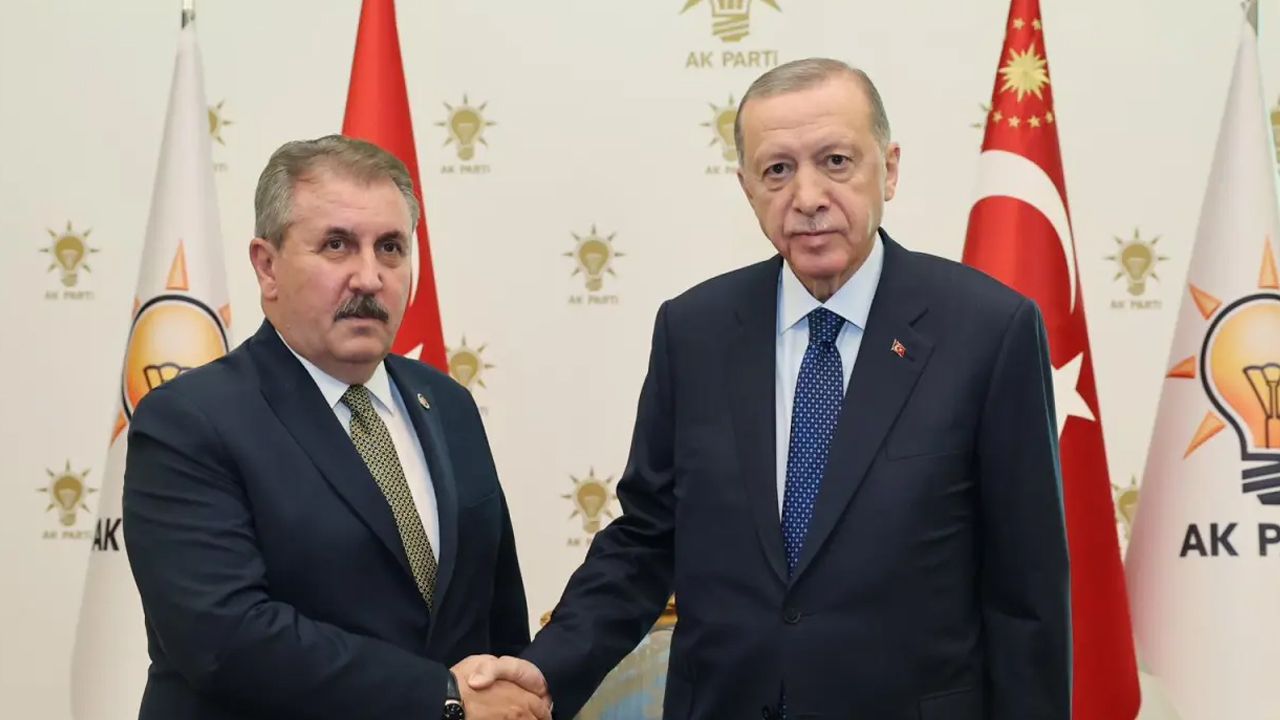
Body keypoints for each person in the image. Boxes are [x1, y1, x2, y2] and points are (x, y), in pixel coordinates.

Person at [468, 58, 1070, 719]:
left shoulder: (987, 330)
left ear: (890, 169)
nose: (807, 197)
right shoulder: (694, 331)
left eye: (836, 161)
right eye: (777, 170)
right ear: (747, 187)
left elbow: (1026, 594)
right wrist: (544, 670)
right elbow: (647, 539)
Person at [123, 135, 549, 720]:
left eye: (391, 248)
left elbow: (495, 616)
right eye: (337, 245)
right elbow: (225, 638)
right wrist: (441, 697)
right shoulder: (189, 421)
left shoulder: (449, 405)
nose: (369, 278)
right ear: (267, 266)